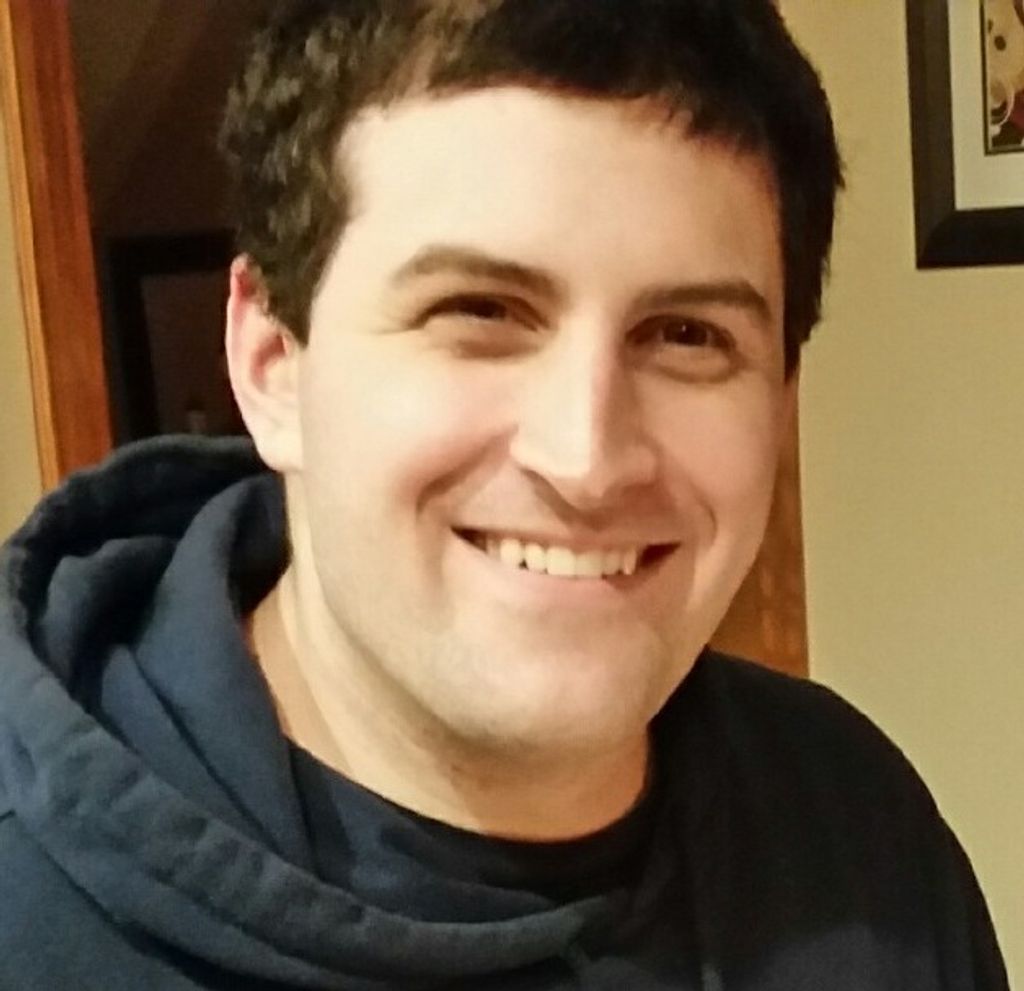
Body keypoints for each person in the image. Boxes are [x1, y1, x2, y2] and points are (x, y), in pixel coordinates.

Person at [0, 1, 1009, 988]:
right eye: (479, 311)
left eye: (687, 336)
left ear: (781, 400)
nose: (587, 458)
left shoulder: (858, 831)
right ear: (272, 364)